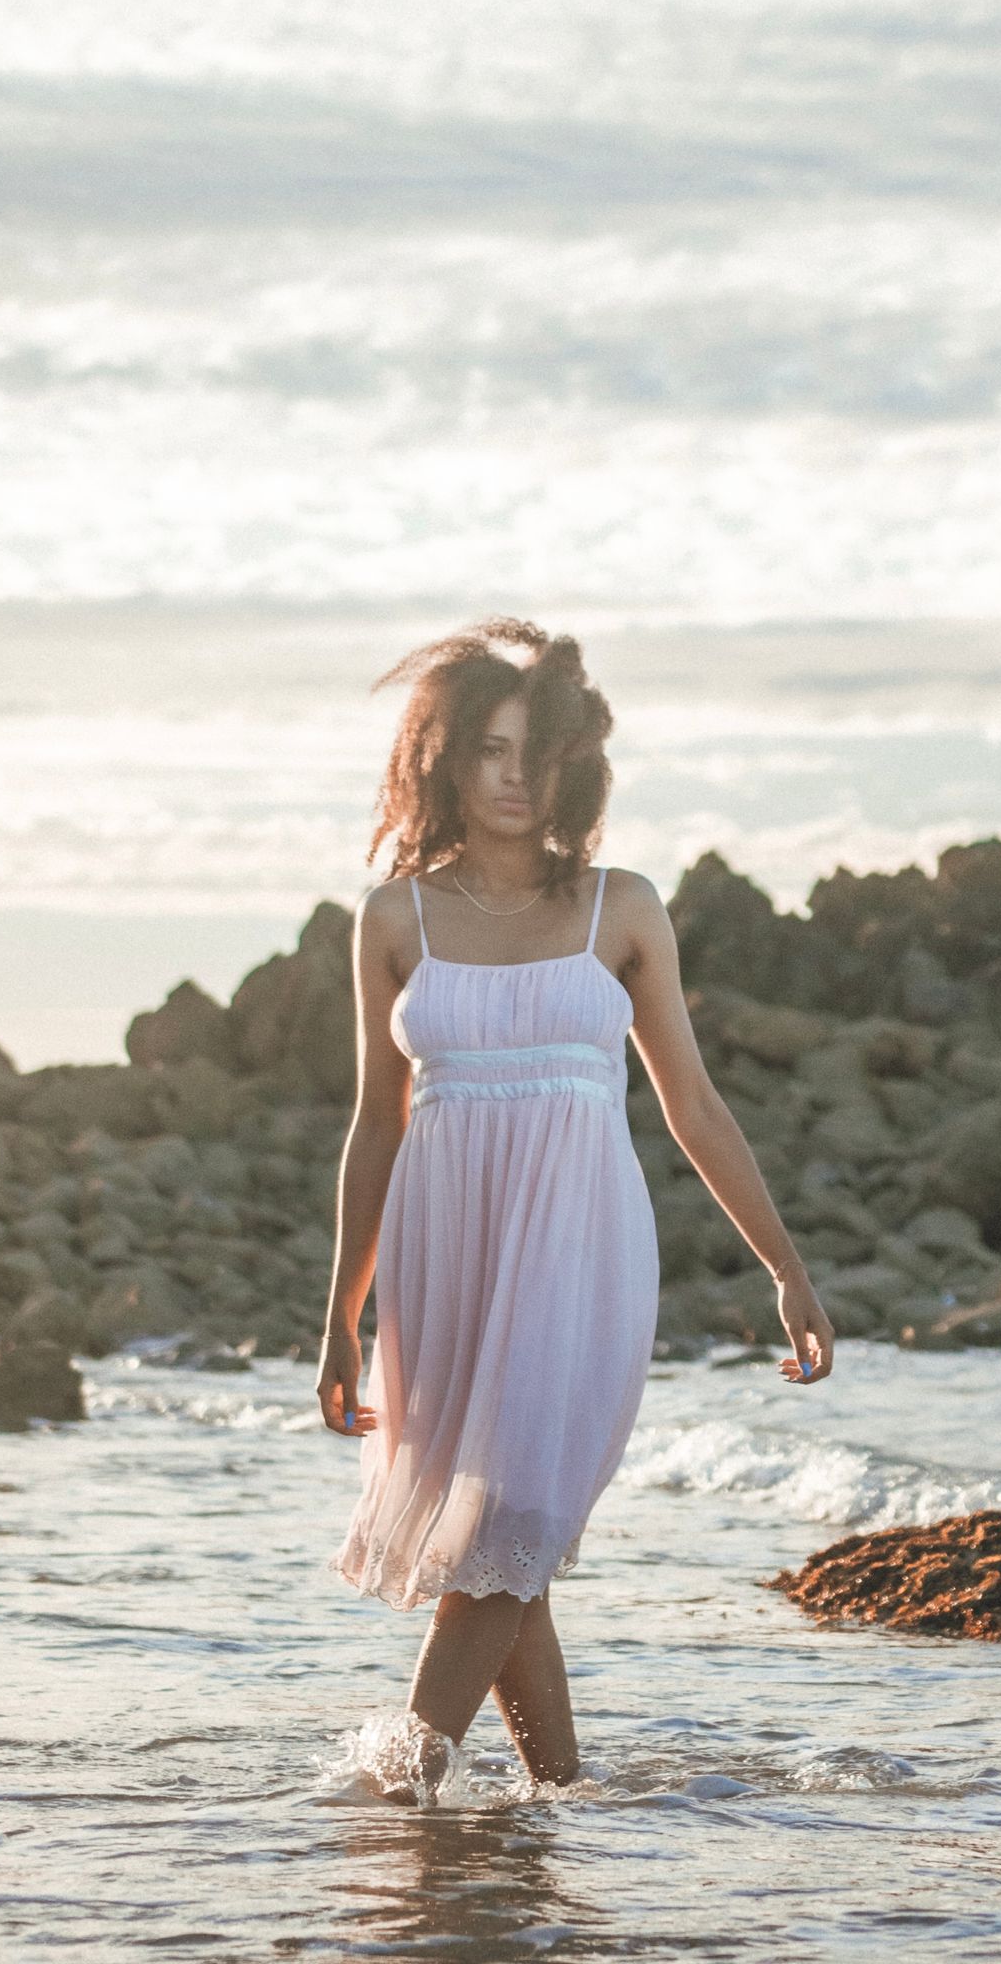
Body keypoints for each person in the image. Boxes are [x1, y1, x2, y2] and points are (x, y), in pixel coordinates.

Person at [318, 618, 834, 1795]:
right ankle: (555, 1802)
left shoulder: (623, 908)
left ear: (577, 767)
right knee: (506, 1550)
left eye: (539, 755)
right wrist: (340, 1314)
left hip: (579, 1253)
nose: (515, 778)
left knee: (516, 1523)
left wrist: (787, 1269)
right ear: (445, 760)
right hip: (446, 1258)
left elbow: (694, 1108)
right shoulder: (394, 920)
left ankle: (395, 1787)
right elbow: (375, 1125)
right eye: (491, 751)